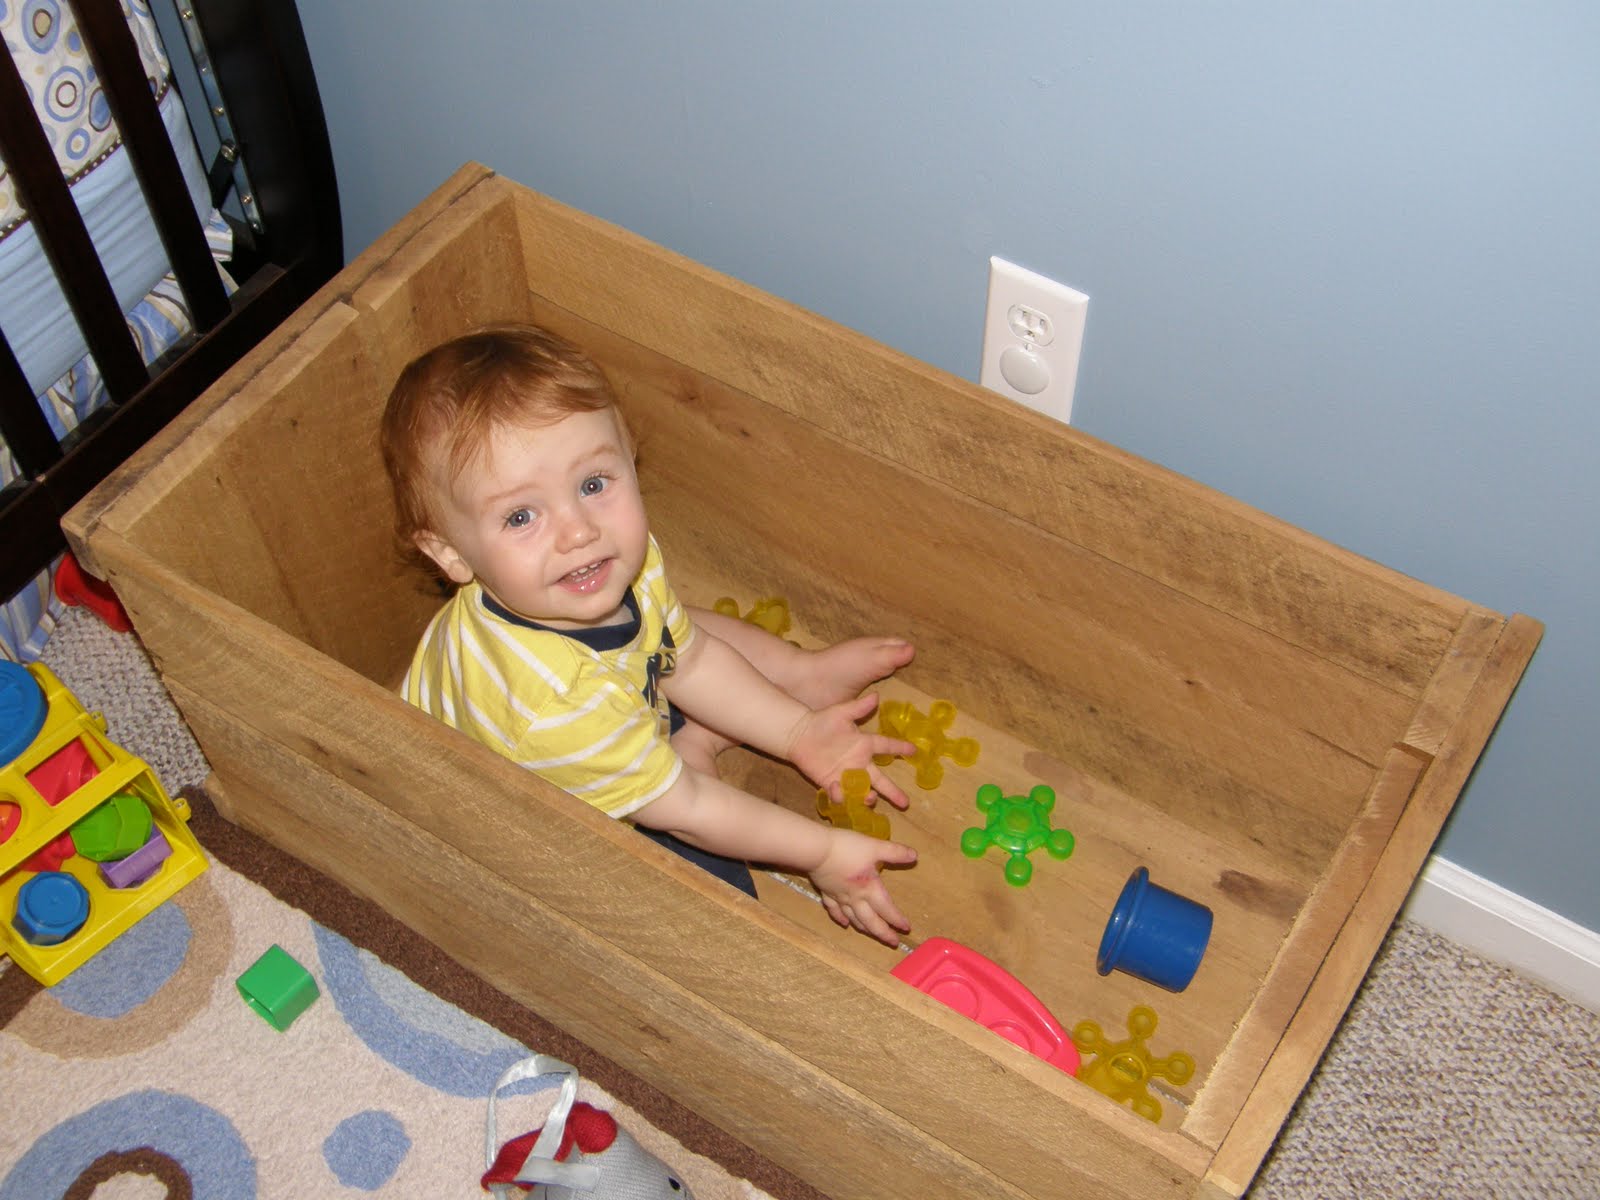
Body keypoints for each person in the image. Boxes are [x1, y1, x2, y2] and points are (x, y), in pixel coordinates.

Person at [380, 324, 920, 944]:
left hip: (609, 712)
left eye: (593, 484)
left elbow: (690, 658)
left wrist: (799, 732)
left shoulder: (604, 566)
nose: (579, 531)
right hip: (537, 816)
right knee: (712, 917)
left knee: (672, 628)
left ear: (628, 456)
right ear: (450, 554)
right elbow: (690, 811)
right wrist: (822, 852)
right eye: (521, 516)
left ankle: (798, 678)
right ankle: (679, 755)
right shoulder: (553, 704)